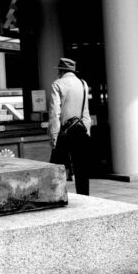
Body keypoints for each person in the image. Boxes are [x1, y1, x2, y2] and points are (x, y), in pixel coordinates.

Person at [48, 57, 92, 195]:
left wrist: (53, 135)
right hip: (80, 129)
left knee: (56, 167)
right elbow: (85, 111)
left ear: (61, 71)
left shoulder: (57, 84)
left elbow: (55, 113)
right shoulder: (83, 83)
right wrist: (87, 131)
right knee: (82, 168)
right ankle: (85, 197)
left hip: (64, 131)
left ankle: (57, 196)